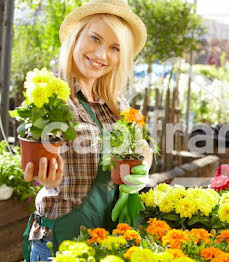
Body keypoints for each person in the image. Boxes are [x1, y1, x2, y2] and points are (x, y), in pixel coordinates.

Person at [21, 1, 151, 261]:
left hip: (108, 243)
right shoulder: (51, 96)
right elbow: (33, 159)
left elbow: (143, 147)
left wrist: (142, 169)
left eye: (115, 48)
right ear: (77, 36)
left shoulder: (115, 103)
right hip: (59, 244)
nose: (102, 55)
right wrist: (43, 177)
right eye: (95, 38)